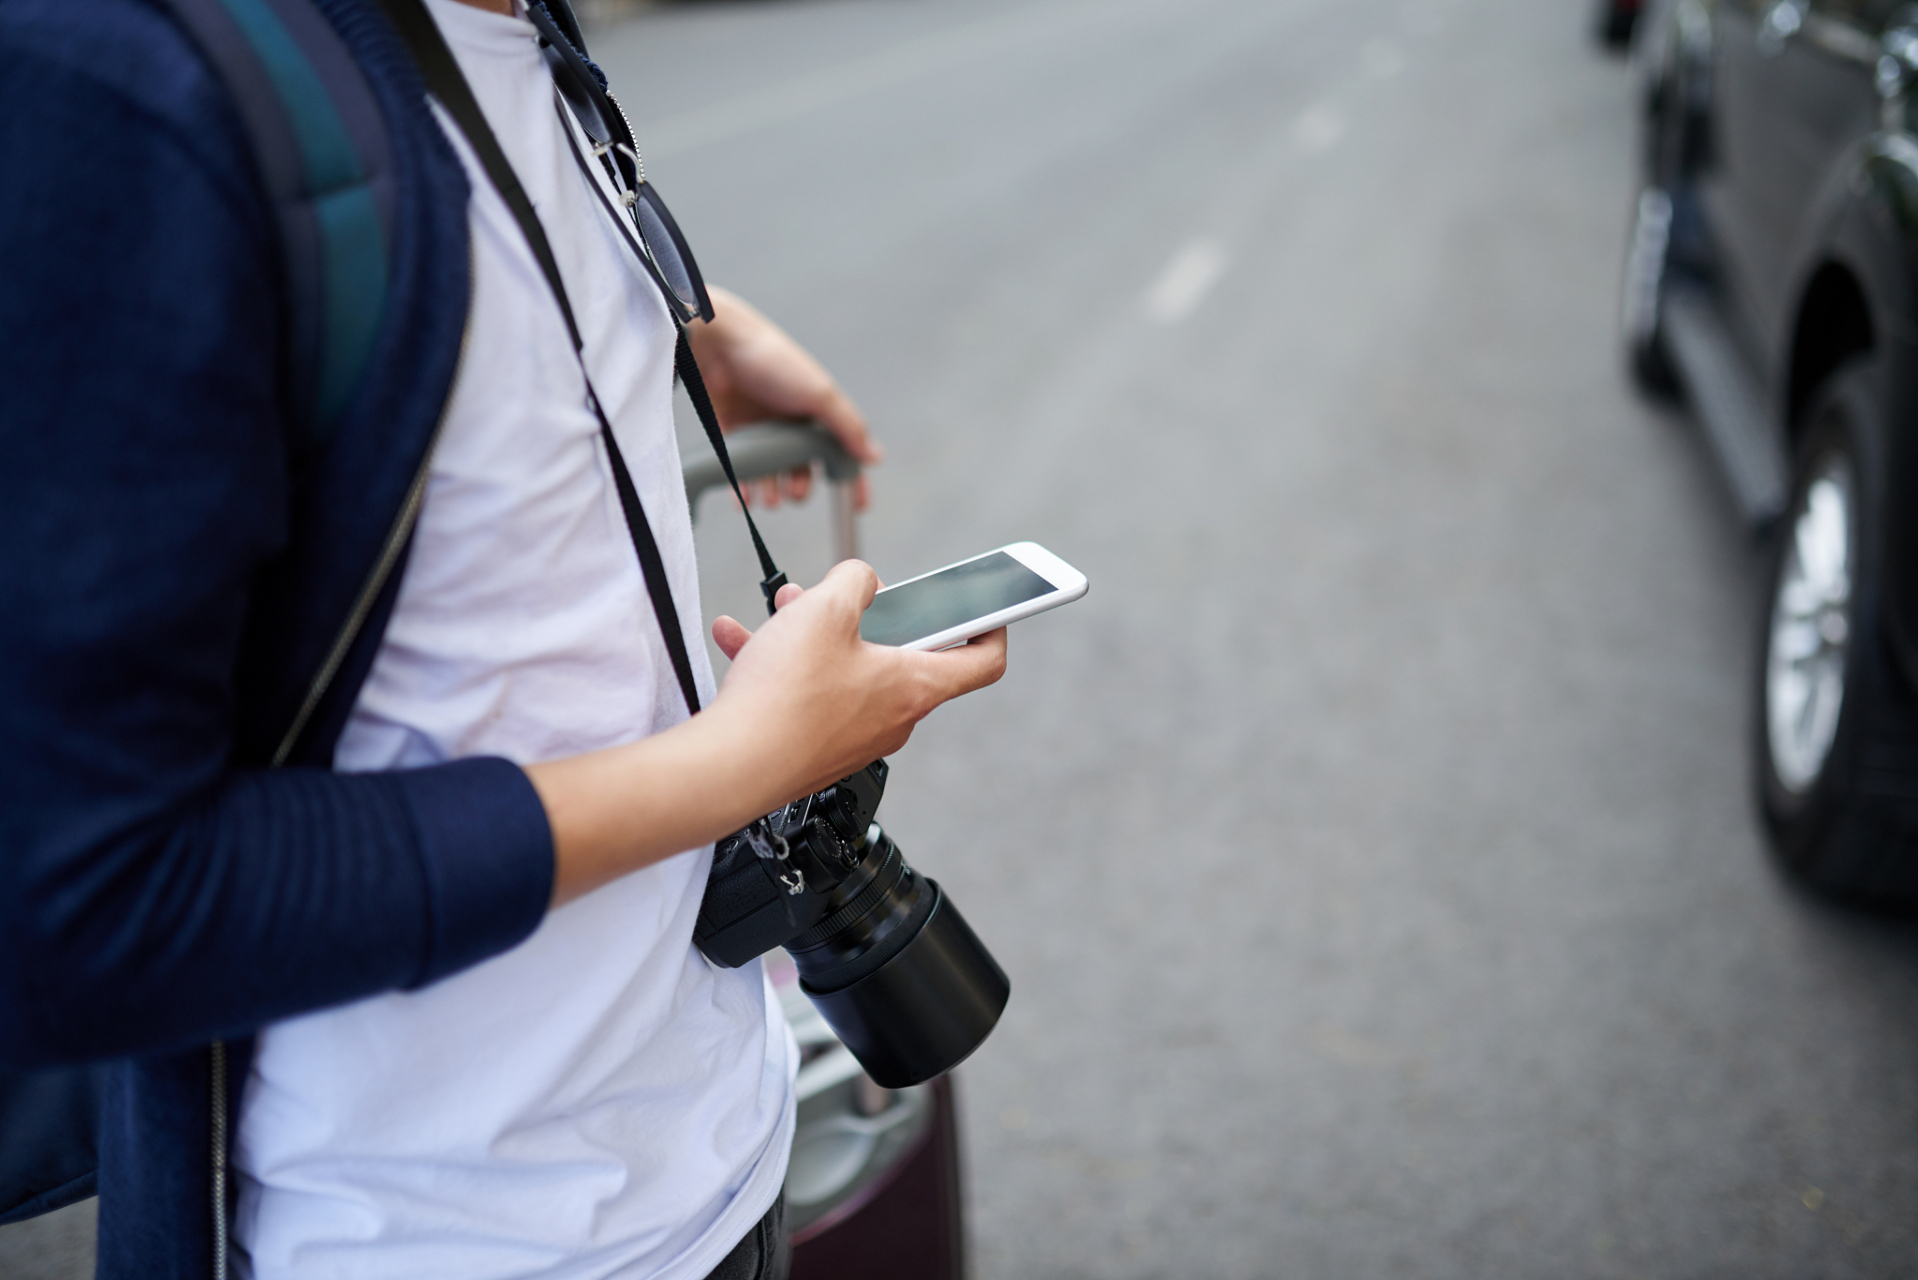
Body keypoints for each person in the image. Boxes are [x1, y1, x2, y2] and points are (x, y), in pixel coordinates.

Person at [0, 0, 1007, 1277]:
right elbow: (85, 909)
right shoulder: (118, 77)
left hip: (724, 1155)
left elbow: (407, 225)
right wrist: (746, 761)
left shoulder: (518, 26)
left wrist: (659, 317)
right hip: (427, 1242)